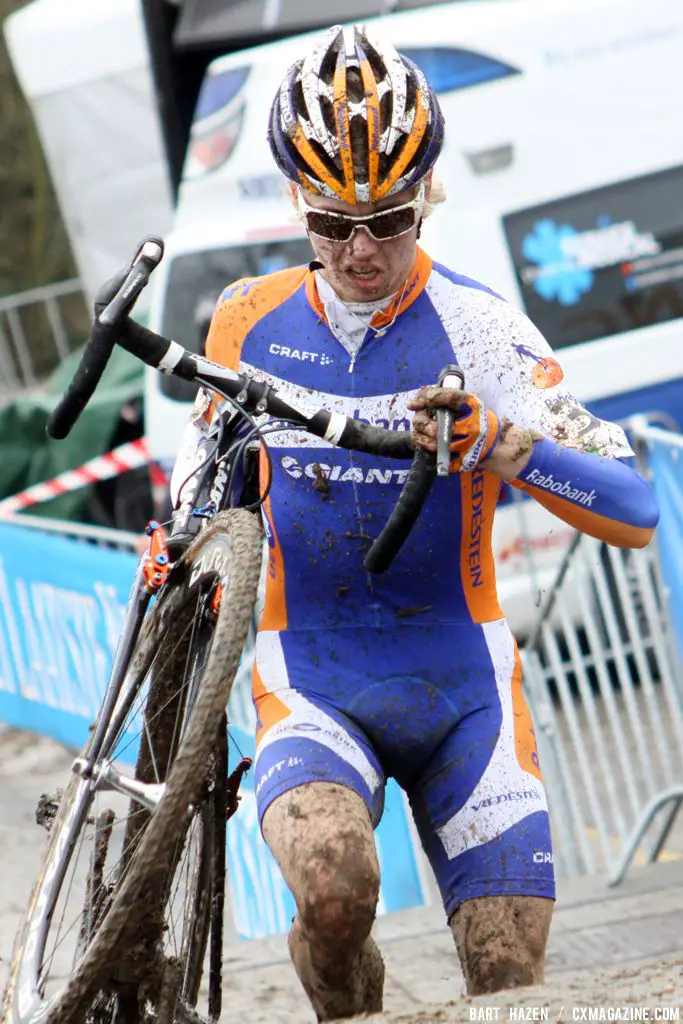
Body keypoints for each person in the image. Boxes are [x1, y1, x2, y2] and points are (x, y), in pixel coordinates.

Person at [172, 24, 659, 1020]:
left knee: (509, 981)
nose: (359, 249)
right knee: (333, 890)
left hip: (460, 686)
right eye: (331, 219)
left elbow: (638, 508)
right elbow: (198, 492)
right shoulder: (243, 321)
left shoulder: (481, 330)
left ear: (426, 199)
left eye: (387, 219)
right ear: (295, 207)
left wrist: (505, 443)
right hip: (311, 676)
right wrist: (183, 545)